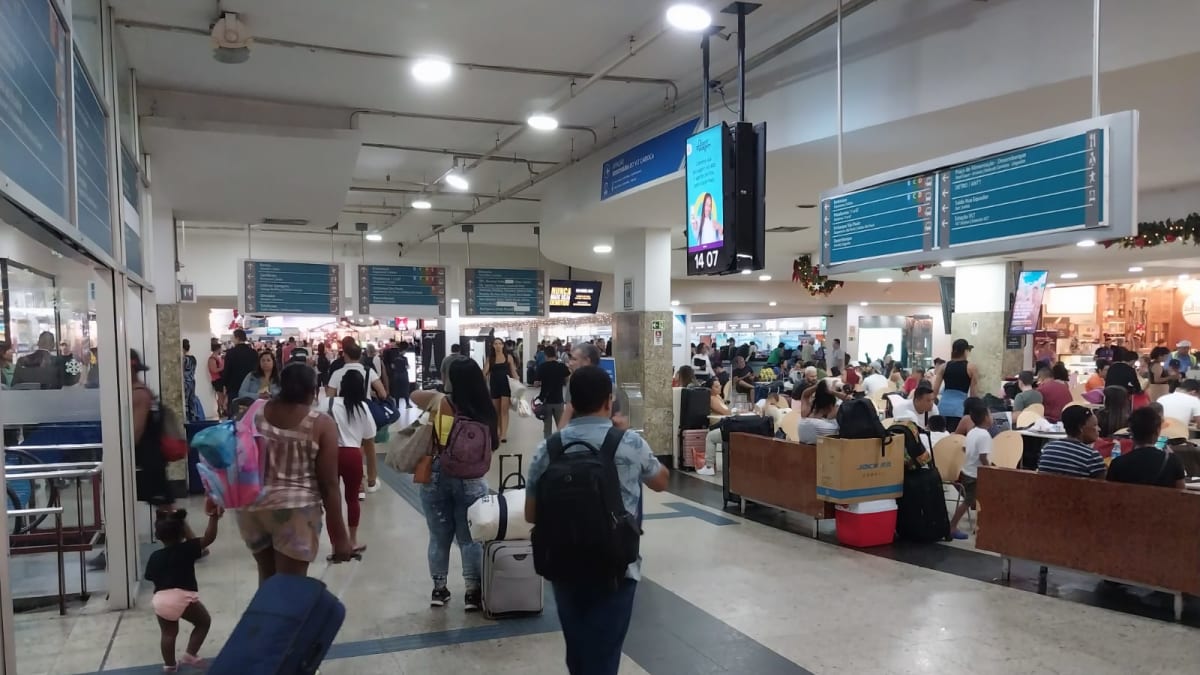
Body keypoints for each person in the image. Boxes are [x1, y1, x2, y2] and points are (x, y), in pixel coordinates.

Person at [524, 366, 669, 675]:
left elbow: (530, 515)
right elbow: (661, 481)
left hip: (563, 563)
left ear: (571, 403)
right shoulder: (629, 443)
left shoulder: (547, 449)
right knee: (604, 655)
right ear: (608, 400)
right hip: (616, 566)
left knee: (577, 653)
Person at [236, 363, 353, 584]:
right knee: (290, 587)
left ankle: (264, 608)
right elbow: (329, 485)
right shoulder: (321, 424)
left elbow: (235, 455)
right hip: (296, 512)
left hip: (252, 509)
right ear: (312, 391)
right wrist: (340, 538)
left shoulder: (254, 412)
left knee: (267, 579)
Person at [411, 359, 497, 610]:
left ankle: (439, 590)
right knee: (470, 538)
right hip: (472, 479)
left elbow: (413, 395)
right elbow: (493, 443)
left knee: (439, 537)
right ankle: (472, 593)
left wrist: (440, 393)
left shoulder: (441, 402)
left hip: (437, 474)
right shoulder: (485, 408)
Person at [145, 506, 220, 672]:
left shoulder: (154, 556)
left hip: (161, 600)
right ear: (182, 533)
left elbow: (150, 576)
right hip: (182, 597)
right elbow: (209, 538)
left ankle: (170, 666)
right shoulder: (188, 549)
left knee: (168, 634)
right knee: (203, 622)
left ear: (158, 535)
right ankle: (190, 654)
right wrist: (213, 517)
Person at [328, 368, 375, 550]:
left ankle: (336, 544)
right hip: (353, 455)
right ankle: (353, 541)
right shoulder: (363, 408)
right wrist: (372, 473)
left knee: (332, 501)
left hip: (330, 455)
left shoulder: (328, 403)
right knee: (352, 499)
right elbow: (369, 438)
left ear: (342, 386)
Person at [1107, 406, 1186, 489]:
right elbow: (1182, 493)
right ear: (1158, 431)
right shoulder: (1173, 461)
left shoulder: (1117, 464)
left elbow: (1109, 493)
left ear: (1131, 432)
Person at [951, 404, 992, 539]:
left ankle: (982, 524)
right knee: (967, 502)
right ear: (985, 418)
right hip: (976, 475)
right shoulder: (984, 435)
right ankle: (952, 527)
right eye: (990, 414)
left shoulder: (973, 432)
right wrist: (990, 470)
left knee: (973, 501)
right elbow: (983, 457)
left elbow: (965, 449)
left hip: (967, 471)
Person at [1037, 406, 1106, 478]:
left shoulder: (1048, 449)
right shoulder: (1091, 456)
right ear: (1081, 428)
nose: (1099, 429)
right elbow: (1101, 484)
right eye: (1095, 425)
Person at [931, 339, 977, 431]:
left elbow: (934, 391)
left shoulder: (943, 367)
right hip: (959, 409)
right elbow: (973, 395)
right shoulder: (971, 368)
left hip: (942, 408)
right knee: (955, 437)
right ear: (965, 351)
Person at [483, 337, 518, 443]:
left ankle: (503, 434)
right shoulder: (490, 358)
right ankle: (498, 431)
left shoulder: (508, 357)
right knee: (496, 411)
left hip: (506, 386)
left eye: (500, 343)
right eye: (496, 344)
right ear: (493, 346)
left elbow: (513, 372)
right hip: (494, 386)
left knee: (504, 410)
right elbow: (484, 373)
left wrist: (518, 384)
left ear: (503, 345)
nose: (498, 346)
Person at [535, 345, 571, 438]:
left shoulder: (542, 367)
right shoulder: (562, 366)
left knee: (547, 426)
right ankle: (562, 442)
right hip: (558, 400)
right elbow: (567, 379)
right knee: (561, 424)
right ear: (555, 354)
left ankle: (547, 444)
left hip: (546, 401)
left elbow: (536, 383)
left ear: (546, 355)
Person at [698, 379, 733, 476]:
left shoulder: (718, 397)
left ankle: (710, 466)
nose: (720, 388)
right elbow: (726, 412)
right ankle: (709, 466)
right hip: (717, 425)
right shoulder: (712, 399)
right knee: (710, 436)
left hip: (724, 424)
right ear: (710, 389)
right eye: (716, 386)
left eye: (720, 385)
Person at [221, 329, 259, 407]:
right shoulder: (253, 352)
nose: (231, 338)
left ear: (237, 338)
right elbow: (257, 369)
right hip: (250, 386)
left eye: (233, 336)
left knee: (234, 408)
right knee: (250, 409)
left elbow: (227, 370)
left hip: (234, 386)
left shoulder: (231, 353)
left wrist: (225, 384)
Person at [798, 380, 840, 444]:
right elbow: (850, 401)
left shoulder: (805, 415)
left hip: (802, 449)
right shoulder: (831, 424)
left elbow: (804, 395)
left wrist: (818, 386)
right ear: (831, 406)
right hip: (823, 449)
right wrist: (833, 392)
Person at [182, 339, 200, 422]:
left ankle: (186, 420)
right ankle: (193, 419)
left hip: (186, 382)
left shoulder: (184, 359)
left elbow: (182, 371)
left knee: (185, 402)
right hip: (192, 381)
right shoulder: (193, 358)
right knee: (192, 402)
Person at [207, 340, 225, 417]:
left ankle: (221, 409)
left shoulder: (218, 358)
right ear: (218, 349)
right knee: (220, 396)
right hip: (217, 380)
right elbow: (214, 370)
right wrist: (223, 368)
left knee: (222, 395)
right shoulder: (212, 359)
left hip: (220, 379)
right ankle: (221, 410)